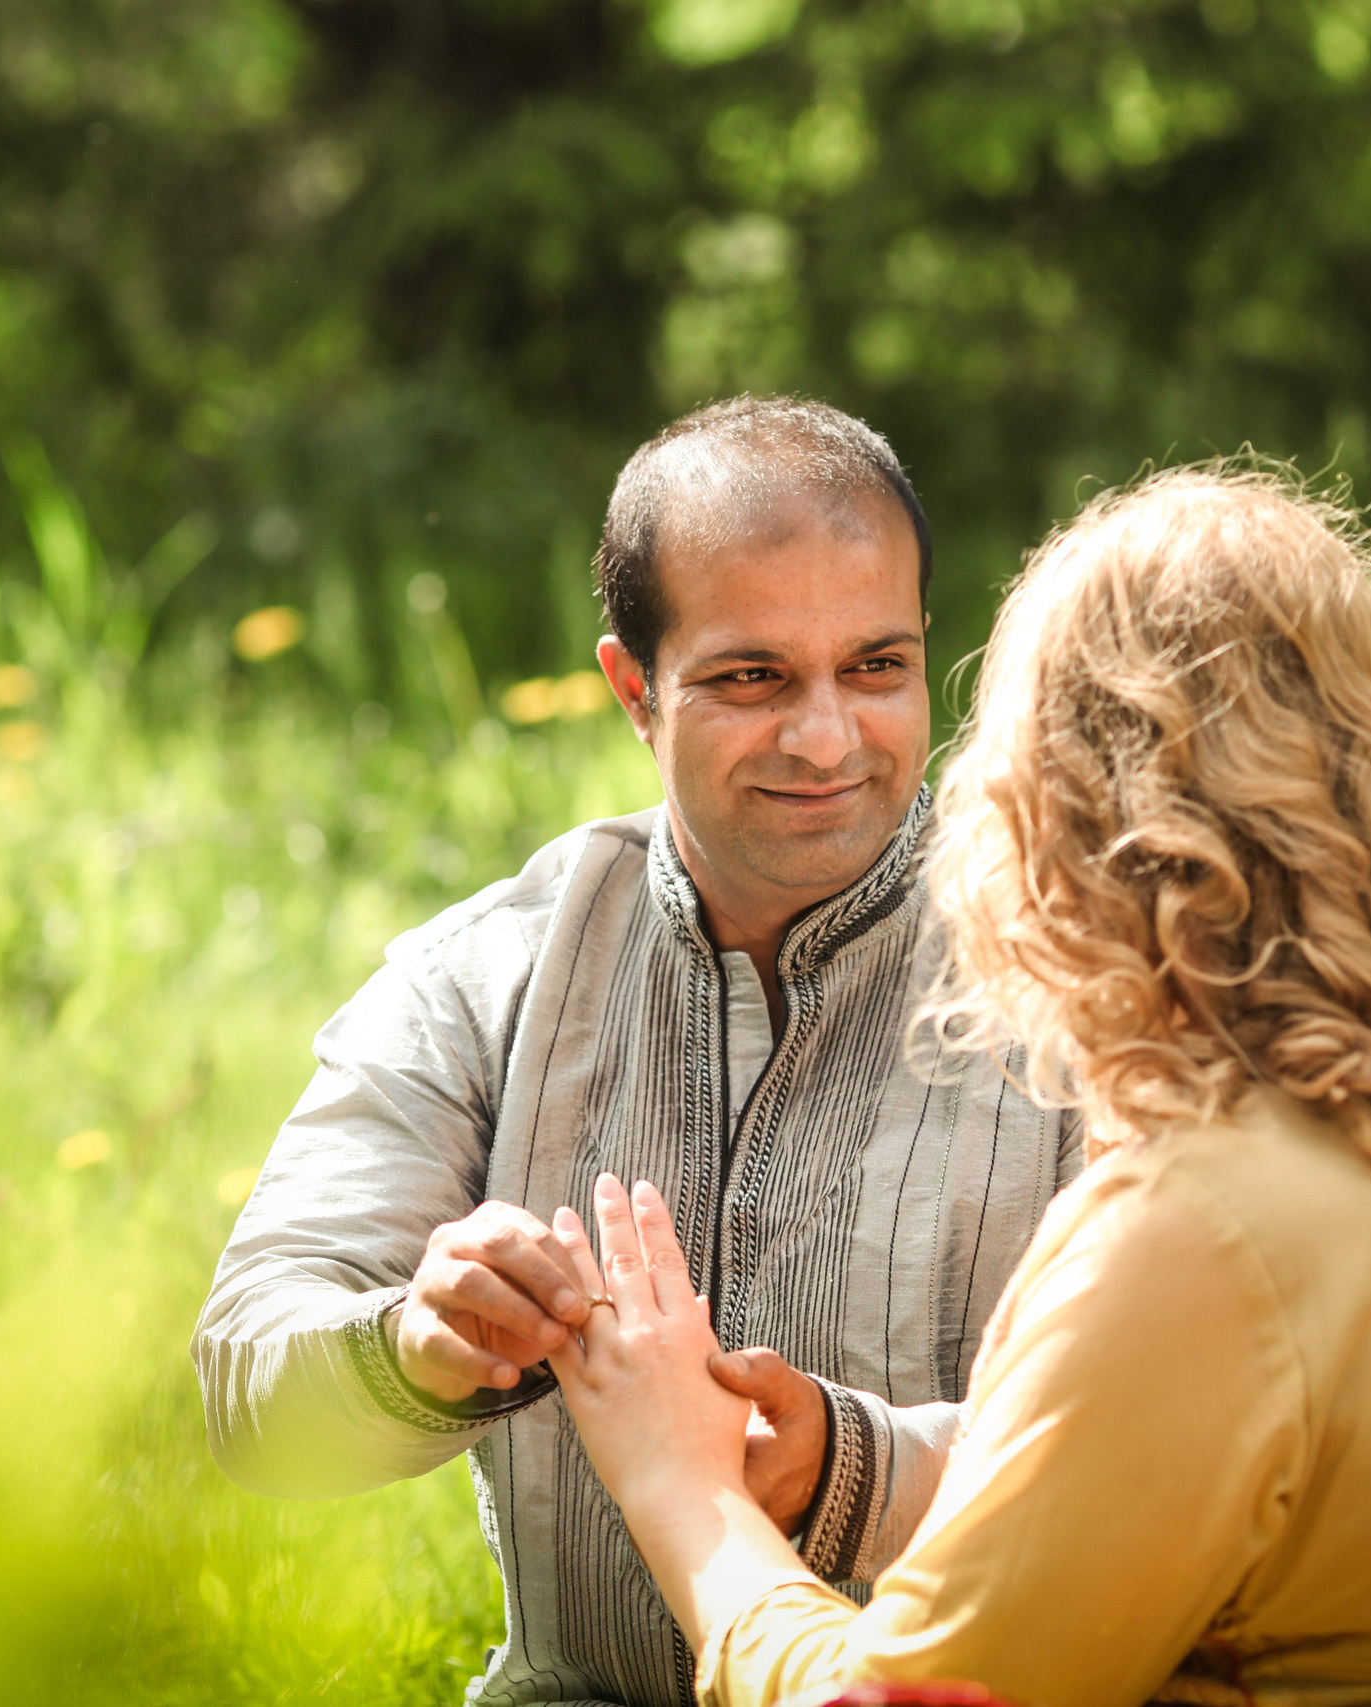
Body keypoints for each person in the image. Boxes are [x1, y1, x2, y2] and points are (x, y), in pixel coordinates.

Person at [546, 467, 1371, 1707]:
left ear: (1063, 820)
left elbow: (905, 1705)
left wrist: (679, 1482)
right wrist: (846, 1459)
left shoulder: (1197, 1225)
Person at [191, 397, 1078, 1707]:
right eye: (751, 677)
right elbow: (247, 1390)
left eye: (876, 667)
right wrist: (419, 1343)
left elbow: (1186, 1433)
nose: (826, 736)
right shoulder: (484, 974)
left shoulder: (1092, 970)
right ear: (632, 688)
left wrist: (852, 1465)